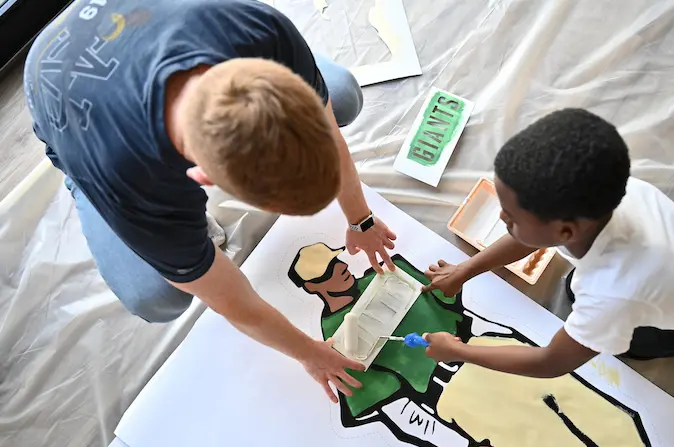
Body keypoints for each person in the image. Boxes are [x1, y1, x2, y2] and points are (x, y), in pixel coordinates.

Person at [23, 0, 399, 400]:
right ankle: (80, 184)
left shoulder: (261, 29)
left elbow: (326, 133)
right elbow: (231, 300)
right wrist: (309, 353)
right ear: (201, 179)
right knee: (157, 295)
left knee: (340, 96)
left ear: (277, 78)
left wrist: (361, 220)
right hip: (57, 83)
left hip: (123, 15)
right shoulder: (130, 175)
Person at [289, 242, 674, 447]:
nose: (342, 268)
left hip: (497, 351)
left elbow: (456, 310)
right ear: (312, 288)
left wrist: (459, 286)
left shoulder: (389, 275)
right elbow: (400, 410)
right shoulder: (330, 345)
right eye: (328, 271)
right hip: (462, 396)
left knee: (620, 440)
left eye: (337, 259)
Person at [423, 108, 674, 377]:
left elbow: (550, 362)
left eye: (511, 216)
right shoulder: (617, 191)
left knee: (630, 342)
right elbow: (528, 238)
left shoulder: (610, 295)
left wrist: (461, 351)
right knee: (583, 288)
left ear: (565, 232)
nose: (503, 219)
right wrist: (467, 269)